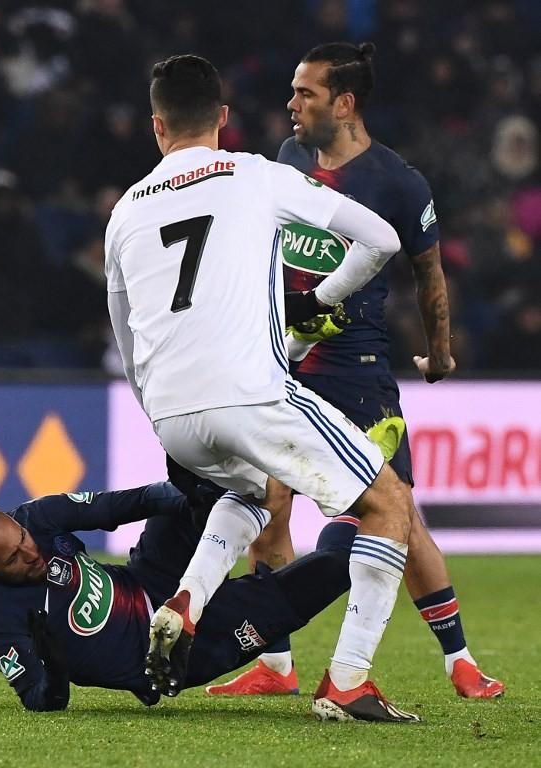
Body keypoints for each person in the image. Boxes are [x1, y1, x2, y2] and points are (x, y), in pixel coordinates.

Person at [106, 54, 421, 723]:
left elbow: (127, 343)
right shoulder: (255, 174)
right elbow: (381, 239)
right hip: (249, 392)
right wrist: (316, 308)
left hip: (169, 411)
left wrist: (163, 407)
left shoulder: (125, 211)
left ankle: (186, 601)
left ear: (156, 124)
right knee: (389, 504)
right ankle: (348, 682)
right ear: (222, 118)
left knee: (251, 493)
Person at [209, 42, 503, 700]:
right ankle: (276, 666)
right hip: (283, 360)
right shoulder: (286, 160)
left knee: (397, 512)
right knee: (268, 505)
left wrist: (441, 352)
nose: (291, 104)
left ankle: (458, 658)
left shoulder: (398, 182)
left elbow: (429, 276)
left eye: (305, 93)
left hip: (355, 369)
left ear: (343, 104)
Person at [0, 482, 353, 711]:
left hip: (150, 578)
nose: (32, 553)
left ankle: (331, 471)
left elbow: (134, 502)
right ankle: (373, 510)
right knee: (338, 565)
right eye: (13, 559)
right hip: (173, 655)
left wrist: (199, 499)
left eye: (23, 539)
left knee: (212, 481)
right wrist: (56, 666)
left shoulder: (35, 518)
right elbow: (39, 700)